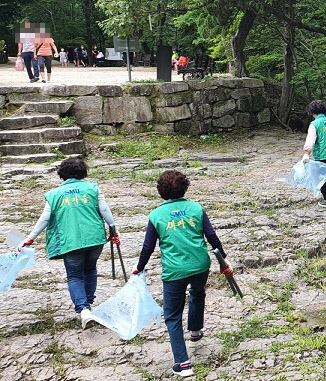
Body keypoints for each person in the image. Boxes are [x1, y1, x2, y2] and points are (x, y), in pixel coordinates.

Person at [133, 170, 228, 378]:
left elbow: (147, 247)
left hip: (175, 271)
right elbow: (211, 236)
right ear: (185, 186)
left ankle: (183, 364)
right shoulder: (196, 208)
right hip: (200, 265)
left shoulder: (156, 215)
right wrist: (223, 259)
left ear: (161, 191)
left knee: (173, 316)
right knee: (197, 292)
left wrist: (139, 267)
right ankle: (195, 331)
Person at [17, 158, 119, 328]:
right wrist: (114, 229)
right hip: (94, 238)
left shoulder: (54, 195)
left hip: (70, 241)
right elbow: (105, 210)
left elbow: (45, 218)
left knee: (74, 276)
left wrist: (30, 237)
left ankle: (84, 310)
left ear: (62, 174)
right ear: (83, 172)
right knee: (90, 269)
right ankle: (88, 304)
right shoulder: (93, 188)